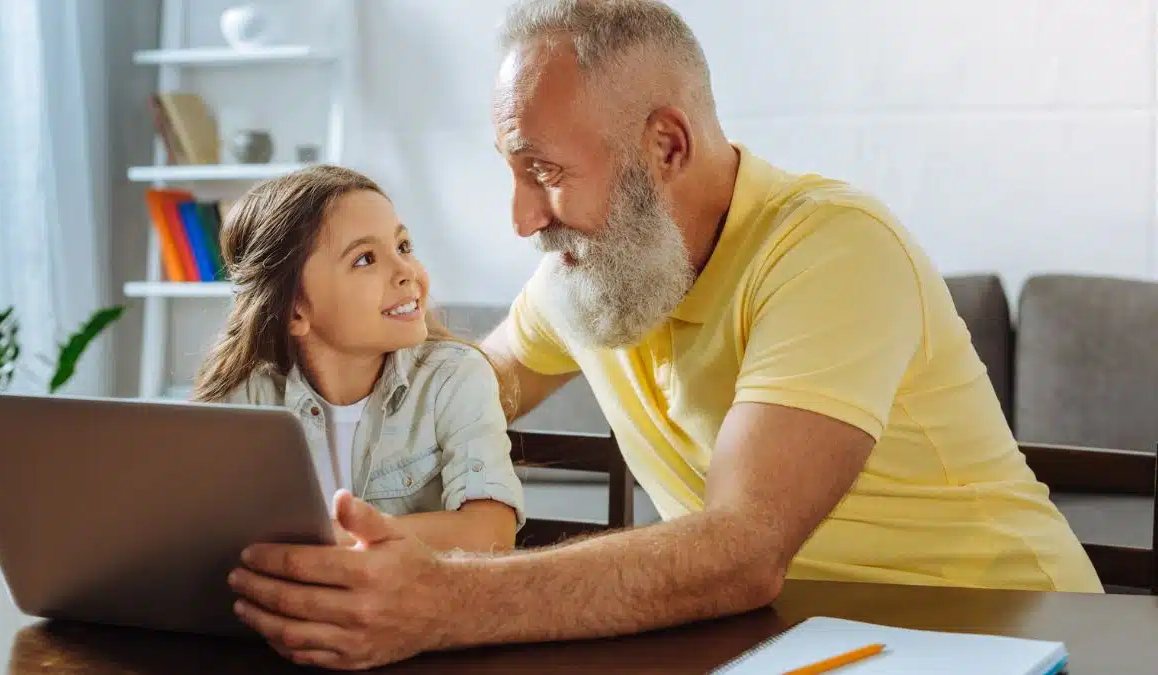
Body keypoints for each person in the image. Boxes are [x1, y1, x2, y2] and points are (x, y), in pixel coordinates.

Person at [226, 0, 1103, 670]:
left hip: (1001, 633)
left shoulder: (832, 249)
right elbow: (455, 394)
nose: (524, 217)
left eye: (545, 172)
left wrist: (447, 600)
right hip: (784, 647)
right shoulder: (590, 273)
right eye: (513, 172)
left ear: (666, 146)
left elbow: (741, 550)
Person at [194, 164, 525, 554]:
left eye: (403, 247)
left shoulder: (454, 378)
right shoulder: (248, 398)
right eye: (365, 259)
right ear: (295, 310)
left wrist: (337, 540)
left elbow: (490, 533)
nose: (407, 272)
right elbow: (207, 535)